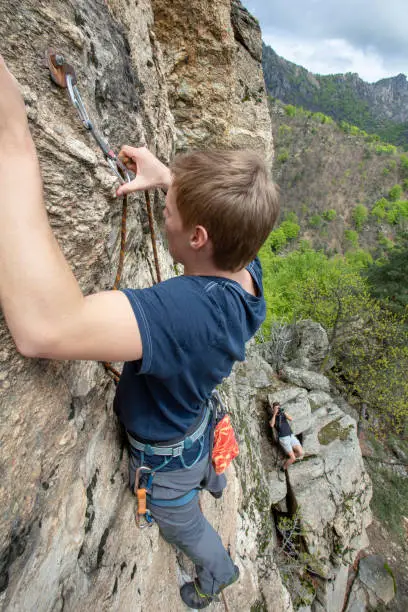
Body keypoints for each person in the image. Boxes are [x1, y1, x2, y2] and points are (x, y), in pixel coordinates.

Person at [0, 55, 279, 609]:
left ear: (198, 237)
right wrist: (170, 179)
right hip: (192, 419)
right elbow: (217, 218)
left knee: (180, 521)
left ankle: (218, 568)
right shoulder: (245, 269)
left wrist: (14, 141)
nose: (164, 212)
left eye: (169, 210)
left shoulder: (185, 313)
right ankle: (213, 478)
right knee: (199, 458)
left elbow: (44, 329)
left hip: (167, 456)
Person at [268, 402, 304, 472]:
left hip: (291, 436)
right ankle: (283, 468)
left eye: (278, 407)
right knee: (293, 458)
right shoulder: (272, 416)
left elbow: (291, 419)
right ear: (273, 409)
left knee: (301, 453)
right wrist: (275, 414)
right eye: (276, 408)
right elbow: (271, 425)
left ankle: (289, 458)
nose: (278, 409)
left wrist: (283, 412)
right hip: (284, 438)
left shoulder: (282, 414)